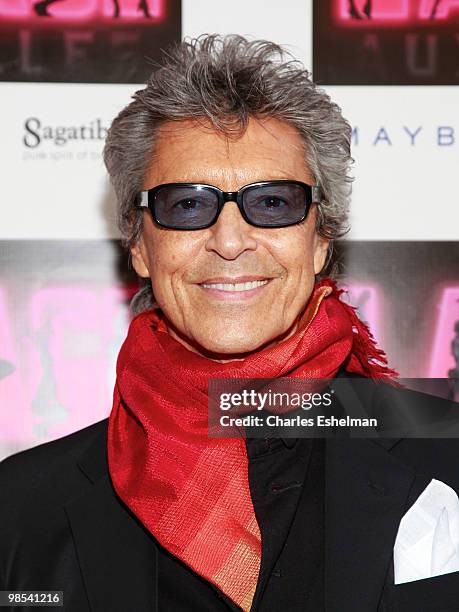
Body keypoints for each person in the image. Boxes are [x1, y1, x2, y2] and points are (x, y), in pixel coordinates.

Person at [1, 34, 459, 612]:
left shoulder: (448, 455)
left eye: (273, 203)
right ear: (141, 246)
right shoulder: (22, 509)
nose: (230, 241)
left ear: (320, 239)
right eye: (186, 205)